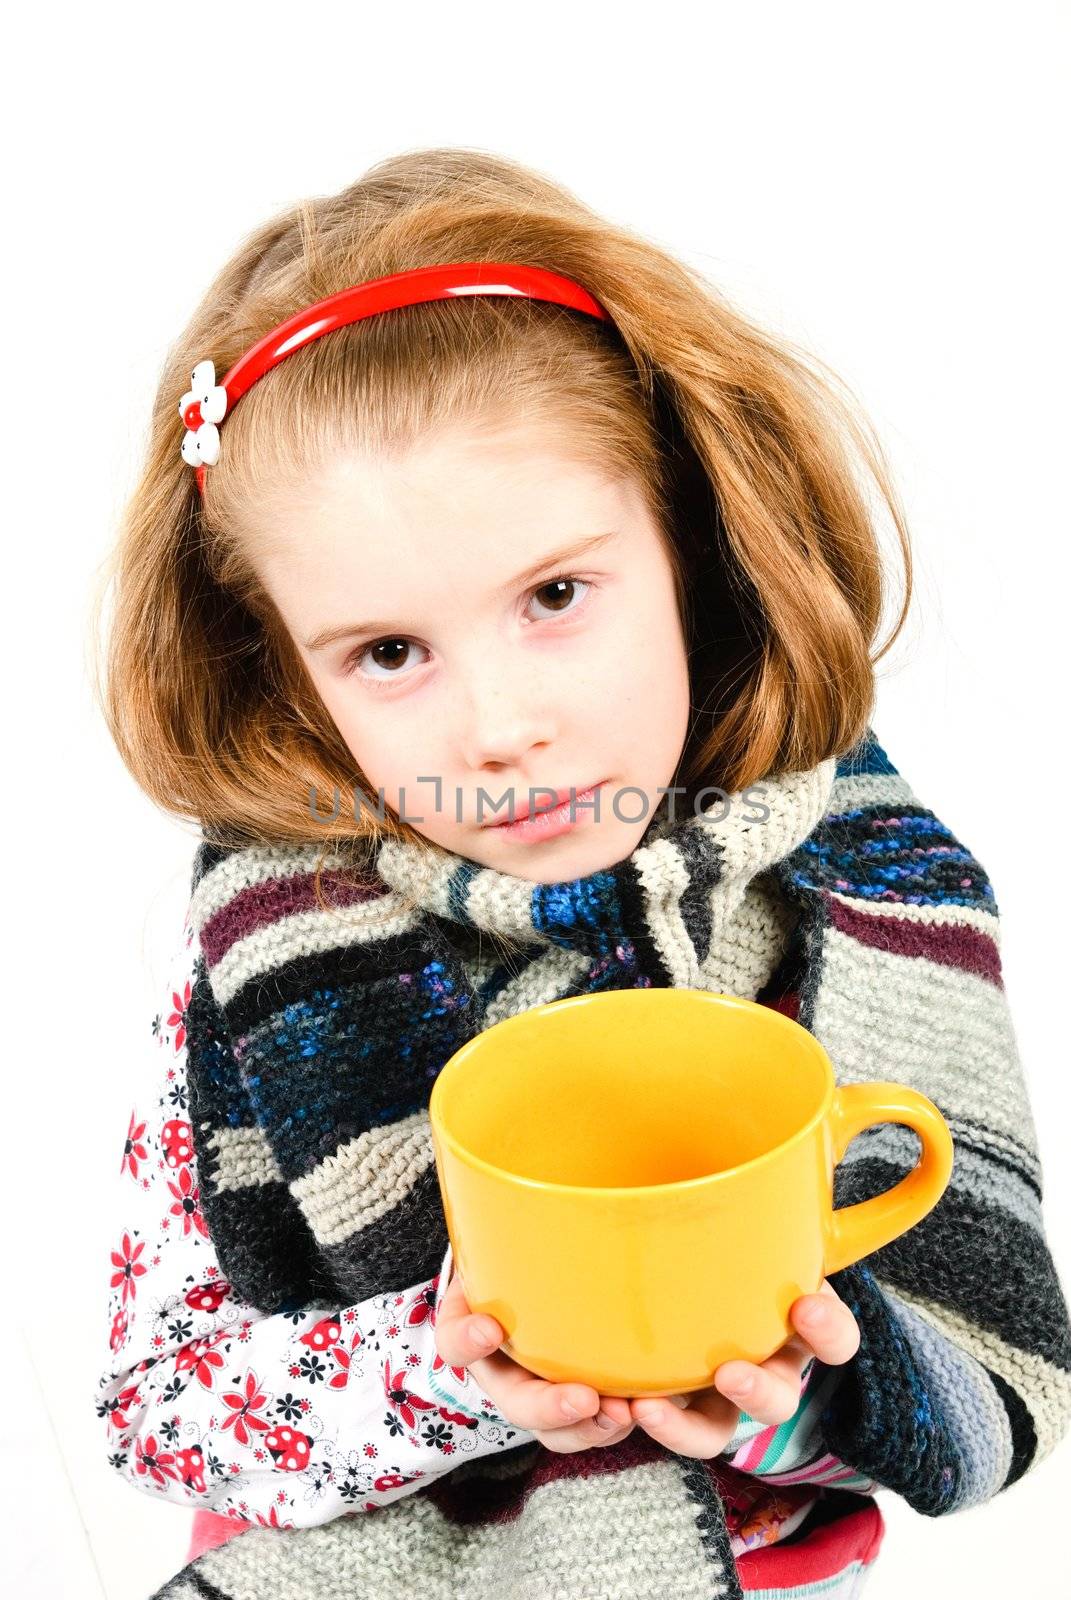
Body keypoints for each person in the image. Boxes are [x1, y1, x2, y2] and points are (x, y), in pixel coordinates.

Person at [91, 147, 1071, 1600]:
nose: (500, 729)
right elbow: (158, 1405)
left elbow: (985, 1378)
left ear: (690, 539)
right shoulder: (272, 967)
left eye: (556, 596)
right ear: (291, 675)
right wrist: (447, 1370)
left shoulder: (871, 898)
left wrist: (805, 1399)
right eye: (389, 652)